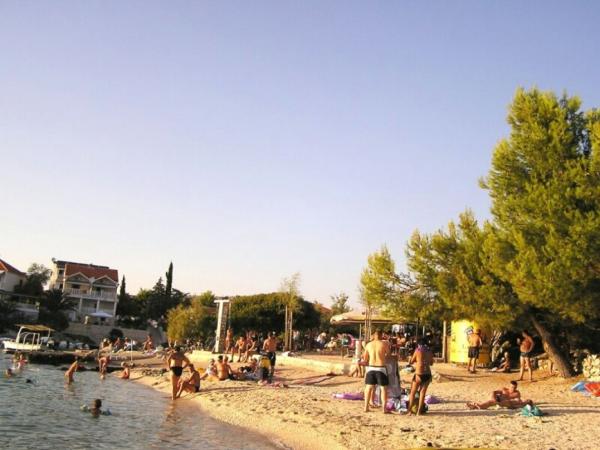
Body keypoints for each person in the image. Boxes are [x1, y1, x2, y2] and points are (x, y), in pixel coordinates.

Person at [362, 329, 390, 414]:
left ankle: (366, 407)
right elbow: (388, 355)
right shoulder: (384, 344)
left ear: (374, 336)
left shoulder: (368, 345)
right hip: (381, 368)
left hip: (371, 368)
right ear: (381, 335)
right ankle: (384, 409)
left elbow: (365, 358)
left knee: (368, 388)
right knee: (383, 388)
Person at [406, 338, 434, 416]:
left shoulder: (418, 350)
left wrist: (412, 359)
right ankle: (419, 411)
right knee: (422, 393)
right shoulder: (429, 351)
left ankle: (409, 411)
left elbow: (411, 361)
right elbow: (431, 363)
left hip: (419, 374)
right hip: (427, 374)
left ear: (419, 344)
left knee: (413, 392)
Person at [467, 381, 531, 409]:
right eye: (512, 387)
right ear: (509, 386)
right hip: (498, 400)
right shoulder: (504, 390)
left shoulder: (517, 393)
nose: (513, 388)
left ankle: (476, 405)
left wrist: (515, 405)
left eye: (514, 387)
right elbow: (494, 392)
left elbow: (518, 401)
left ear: (516, 387)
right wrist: (494, 397)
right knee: (491, 402)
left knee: (493, 402)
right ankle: (477, 406)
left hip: (506, 403)